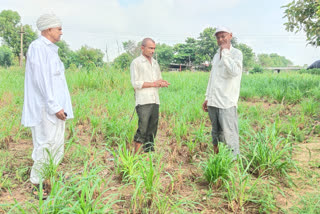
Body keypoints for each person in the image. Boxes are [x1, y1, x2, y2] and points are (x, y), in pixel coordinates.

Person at [21, 14, 73, 197]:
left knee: (57, 144)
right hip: (46, 108)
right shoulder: (37, 47)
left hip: (56, 107)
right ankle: (37, 183)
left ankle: (50, 175)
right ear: (48, 29)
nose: (61, 32)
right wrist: (53, 106)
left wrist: (60, 106)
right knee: (45, 143)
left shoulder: (50, 49)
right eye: (59, 28)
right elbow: (41, 80)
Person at [202, 26, 243, 158]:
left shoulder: (236, 54)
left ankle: (232, 163)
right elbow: (212, 78)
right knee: (216, 133)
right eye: (218, 37)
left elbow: (234, 72)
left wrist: (225, 53)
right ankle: (217, 160)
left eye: (223, 36)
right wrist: (207, 97)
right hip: (213, 101)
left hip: (227, 102)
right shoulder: (215, 56)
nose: (221, 39)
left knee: (229, 134)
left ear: (230, 36)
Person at [130, 38, 170, 154]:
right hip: (143, 100)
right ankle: (135, 156)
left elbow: (158, 79)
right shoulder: (136, 62)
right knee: (143, 128)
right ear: (142, 48)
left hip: (155, 100)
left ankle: (148, 155)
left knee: (152, 129)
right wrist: (153, 83)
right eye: (150, 48)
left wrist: (162, 83)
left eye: (154, 48)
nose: (152, 51)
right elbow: (135, 83)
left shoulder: (155, 63)